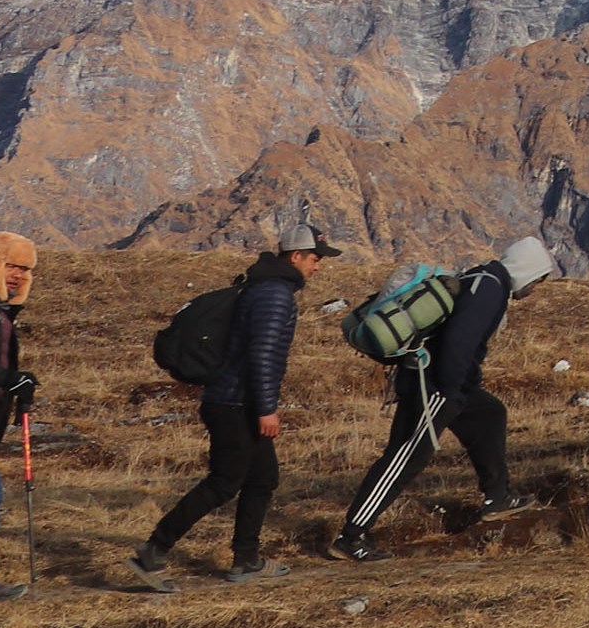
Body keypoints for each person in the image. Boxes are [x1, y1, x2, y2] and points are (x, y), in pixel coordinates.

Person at [132, 226, 338, 589]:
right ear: (295, 257)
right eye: (315, 258)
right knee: (225, 481)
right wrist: (266, 409)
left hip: (232, 399)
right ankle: (153, 551)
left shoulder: (264, 287)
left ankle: (246, 559)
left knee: (263, 477)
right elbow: (264, 356)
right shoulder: (275, 295)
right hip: (236, 403)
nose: (318, 267)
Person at [331, 238, 557, 562]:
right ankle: (349, 537)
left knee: (490, 414)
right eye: (538, 280)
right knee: (405, 458)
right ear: (528, 272)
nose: (535, 288)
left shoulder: (483, 279)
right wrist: (452, 391)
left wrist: (464, 389)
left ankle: (497, 498)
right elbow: (458, 343)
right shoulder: (490, 289)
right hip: (434, 386)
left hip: (441, 382)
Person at [0, 234, 35, 601]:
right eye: (12, 266)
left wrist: (18, 384)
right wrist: (10, 379)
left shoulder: (0, 313)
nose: (18, 275)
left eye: (25, 269)